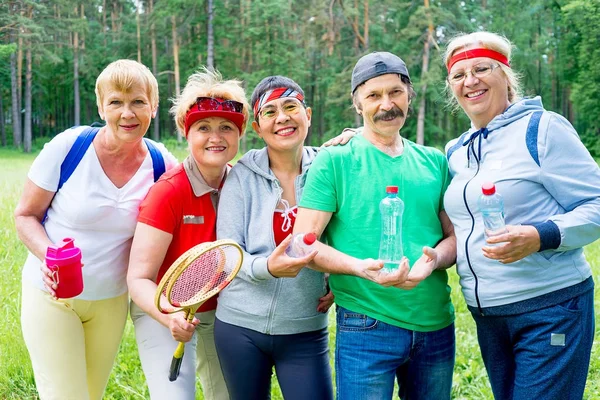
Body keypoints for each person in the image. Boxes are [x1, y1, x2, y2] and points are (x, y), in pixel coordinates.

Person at [442, 31, 600, 400]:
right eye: (458, 75)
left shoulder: (542, 129)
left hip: (551, 306)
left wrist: (540, 235)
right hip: (489, 315)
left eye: (481, 68)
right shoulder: (456, 150)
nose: (470, 81)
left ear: (505, 75)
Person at [293, 52, 457, 400]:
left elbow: (453, 238)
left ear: (409, 95)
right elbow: (303, 242)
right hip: (366, 325)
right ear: (357, 104)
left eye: (395, 92)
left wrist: (434, 261)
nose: (387, 104)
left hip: (435, 323)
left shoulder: (434, 161)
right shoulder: (334, 160)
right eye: (373, 95)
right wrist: (358, 269)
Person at [14, 59, 177, 400]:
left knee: (90, 394)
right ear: (102, 106)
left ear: (154, 106)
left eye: (138, 102)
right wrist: (50, 255)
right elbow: (26, 215)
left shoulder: (161, 164)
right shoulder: (70, 147)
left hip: (111, 301)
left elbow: (197, 191)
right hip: (53, 297)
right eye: (116, 102)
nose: (127, 113)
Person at [127, 68, 249, 400]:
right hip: (163, 309)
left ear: (240, 134)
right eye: (203, 127)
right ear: (185, 131)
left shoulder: (244, 183)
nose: (216, 137)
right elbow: (138, 279)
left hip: (221, 312)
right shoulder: (167, 193)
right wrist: (170, 315)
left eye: (226, 127)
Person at [214, 76, 335, 400]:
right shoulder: (241, 175)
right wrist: (268, 266)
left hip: (305, 329)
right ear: (257, 126)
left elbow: (345, 236)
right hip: (240, 328)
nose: (282, 117)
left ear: (307, 114)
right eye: (270, 112)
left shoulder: (330, 168)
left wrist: (338, 281)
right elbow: (227, 251)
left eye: (290, 106)